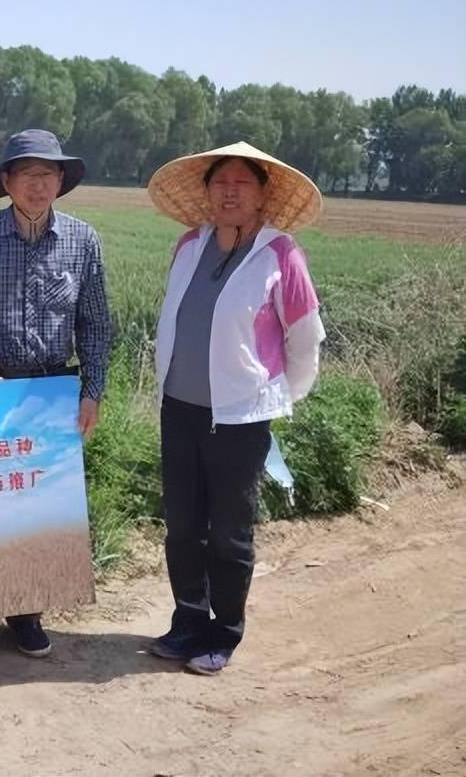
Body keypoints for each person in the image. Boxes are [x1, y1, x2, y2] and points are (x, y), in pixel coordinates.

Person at [147, 141, 325, 675]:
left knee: (229, 530)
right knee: (181, 524)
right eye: (219, 182)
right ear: (206, 192)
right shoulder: (189, 244)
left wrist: (272, 397)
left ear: (263, 193)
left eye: (241, 183)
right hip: (178, 408)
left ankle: (224, 631)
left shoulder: (280, 254)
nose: (228, 191)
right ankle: (187, 620)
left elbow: (305, 340)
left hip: (241, 419)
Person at [0, 128, 112, 660]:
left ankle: (25, 612)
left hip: (51, 391)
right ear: (7, 181)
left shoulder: (83, 241)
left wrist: (92, 388)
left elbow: (96, 323)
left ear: (61, 181)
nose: (39, 186)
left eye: (49, 175)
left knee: (35, 508)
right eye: (28, 175)